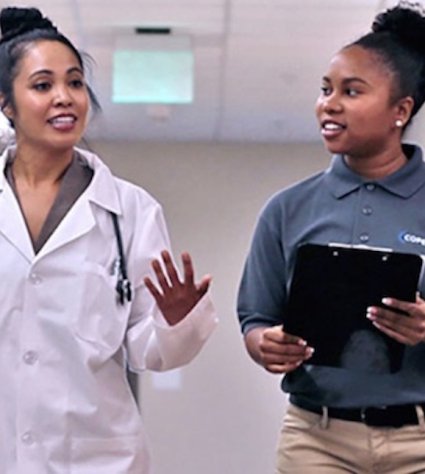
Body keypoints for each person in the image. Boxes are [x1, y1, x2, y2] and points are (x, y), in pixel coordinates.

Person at [0, 6, 218, 474]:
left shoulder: (131, 211)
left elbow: (147, 350)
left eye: (75, 82)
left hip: (95, 459)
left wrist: (174, 320)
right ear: (6, 104)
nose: (65, 97)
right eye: (42, 85)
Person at [237, 2, 425, 473]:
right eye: (325, 90)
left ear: (400, 110)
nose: (329, 104)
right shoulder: (287, 209)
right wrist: (266, 343)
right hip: (315, 440)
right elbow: (255, 318)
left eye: (351, 91)